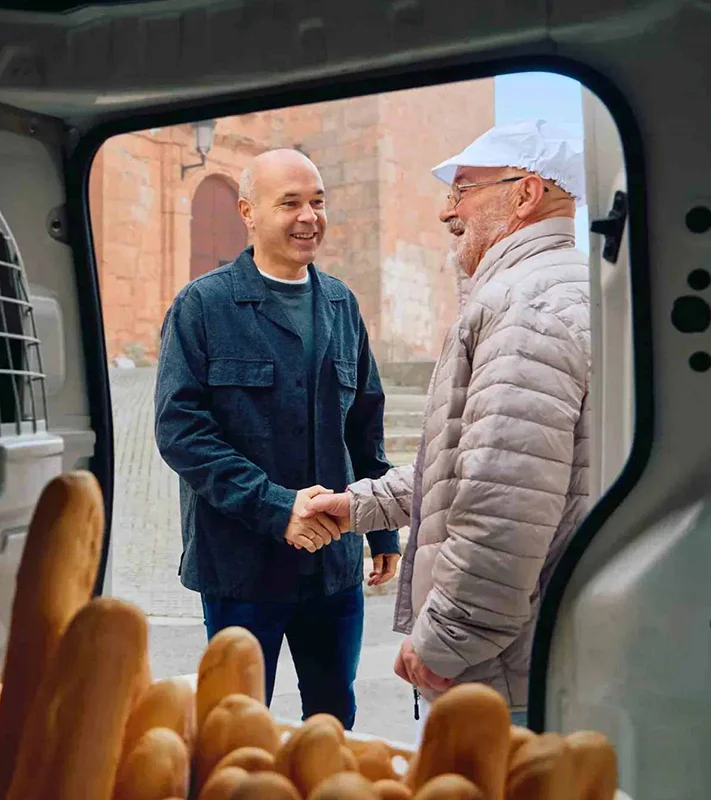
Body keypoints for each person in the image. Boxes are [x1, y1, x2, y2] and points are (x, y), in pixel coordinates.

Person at [301, 120, 592, 730]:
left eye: (463, 190)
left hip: (505, 675)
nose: (445, 211)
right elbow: (466, 467)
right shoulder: (548, 292)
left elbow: (502, 507)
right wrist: (357, 506)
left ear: (525, 194)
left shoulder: (525, 309)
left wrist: (443, 644)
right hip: (531, 655)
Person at [154, 149, 400, 730]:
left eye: (317, 201)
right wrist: (277, 506)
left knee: (333, 717)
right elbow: (180, 431)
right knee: (237, 726)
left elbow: (365, 426)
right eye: (289, 202)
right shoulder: (204, 306)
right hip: (241, 564)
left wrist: (382, 526)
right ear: (247, 211)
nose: (308, 216)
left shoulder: (341, 304)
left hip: (332, 565)